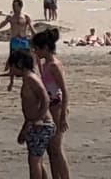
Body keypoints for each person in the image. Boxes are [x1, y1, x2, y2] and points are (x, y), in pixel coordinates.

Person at [6, 49, 54, 179]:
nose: (10, 71)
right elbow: (30, 108)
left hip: (41, 125)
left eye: (11, 67)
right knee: (37, 160)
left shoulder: (31, 78)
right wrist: (25, 129)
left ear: (20, 64)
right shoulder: (27, 79)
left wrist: (39, 119)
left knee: (34, 161)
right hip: (33, 124)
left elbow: (45, 98)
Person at [32, 29, 70, 179]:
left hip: (57, 106)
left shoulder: (54, 65)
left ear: (46, 48)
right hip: (49, 107)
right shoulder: (46, 64)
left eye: (37, 49)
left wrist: (63, 115)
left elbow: (64, 90)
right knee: (50, 149)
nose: (36, 51)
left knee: (57, 148)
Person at [0, 0, 34, 91]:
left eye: (15, 5)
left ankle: (26, 81)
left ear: (20, 6)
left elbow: (32, 29)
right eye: (13, 5)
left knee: (26, 62)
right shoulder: (10, 17)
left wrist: (36, 38)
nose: (13, 7)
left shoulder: (26, 17)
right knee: (13, 62)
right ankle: (11, 82)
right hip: (14, 41)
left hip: (23, 41)